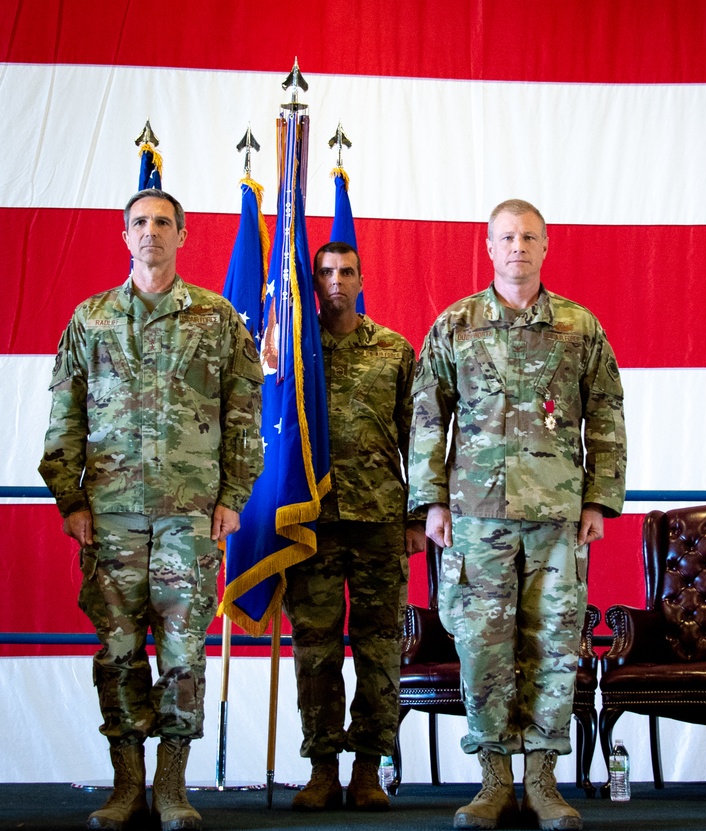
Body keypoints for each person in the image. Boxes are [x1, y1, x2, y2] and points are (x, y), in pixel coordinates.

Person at [38, 188, 264, 831]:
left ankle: (171, 786)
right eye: (140, 223)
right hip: (110, 514)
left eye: (163, 222)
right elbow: (65, 417)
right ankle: (127, 784)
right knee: (118, 649)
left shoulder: (217, 318)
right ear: (124, 236)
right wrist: (70, 498)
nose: (151, 233)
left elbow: (243, 416)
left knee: (184, 650)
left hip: (189, 517)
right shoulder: (92, 319)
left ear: (183, 235)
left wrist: (233, 497)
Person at [408, 199, 627, 831]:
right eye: (507, 237)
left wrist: (598, 499)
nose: (518, 247)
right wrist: (432, 501)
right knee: (482, 645)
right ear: (489, 245)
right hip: (476, 516)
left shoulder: (579, 328)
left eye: (529, 237)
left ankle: (543, 780)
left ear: (546, 245)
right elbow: (428, 417)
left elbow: (607, 413)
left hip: (558, 514)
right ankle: (494, 780)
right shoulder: (456, 325)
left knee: (555, 644)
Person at [283, 241, 423, 812]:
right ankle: (321, 769)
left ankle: (368, 768)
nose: (336, 280)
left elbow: (422, 437)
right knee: (314, 651)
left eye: (346, 271)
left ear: (362, 278)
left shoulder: (393, 351)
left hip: (378, 521)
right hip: (310, 525)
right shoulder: (293, 350)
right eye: (325, 272)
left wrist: (417, 517)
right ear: (312, 282)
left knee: (379, 651)